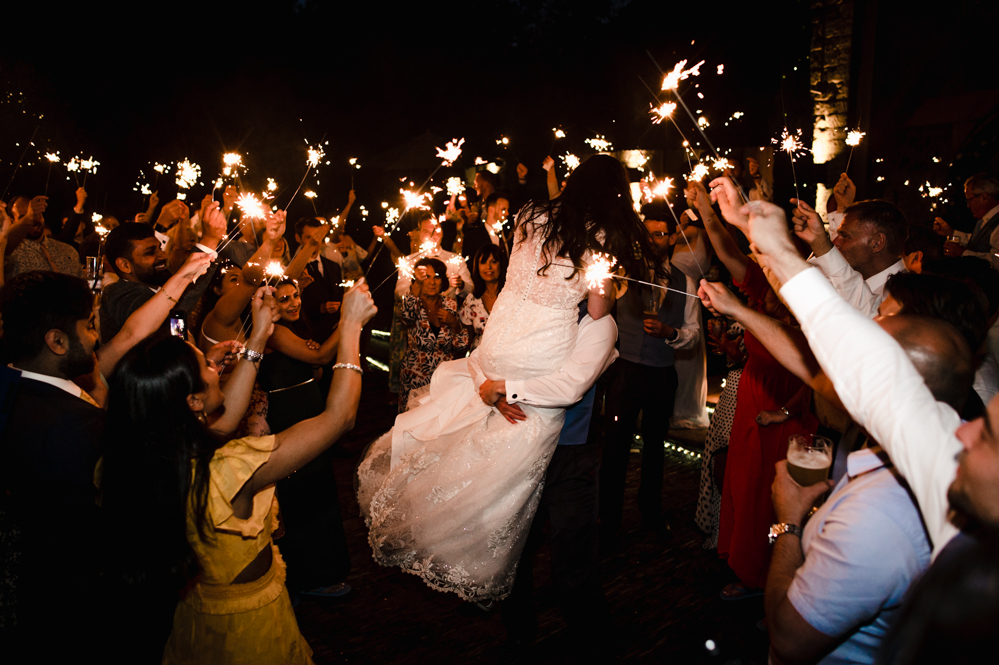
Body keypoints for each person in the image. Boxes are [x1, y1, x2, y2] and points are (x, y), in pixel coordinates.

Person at [357, 154, 661, 602]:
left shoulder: (532, 217)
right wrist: (605, 283)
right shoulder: (599, 250)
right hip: (537, 380)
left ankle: (497, 569)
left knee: (499, 489)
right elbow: (596, 316)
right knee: (522, 508)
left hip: (503, 352)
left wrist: (496, 382)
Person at [99, 281, 375, 664]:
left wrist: (258, 336)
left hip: (196, 617)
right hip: (248, 632)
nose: (216, 369)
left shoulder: (132, 456)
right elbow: (339, 418)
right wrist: (350, 326)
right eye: (206, 366)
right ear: (193, 401)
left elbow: (225, 421)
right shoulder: (228, 469)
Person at [600, 201, 700, 538]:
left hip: (662, 374)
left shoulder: (685, 281)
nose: (652, 240)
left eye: (659, 234)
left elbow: (693, 332)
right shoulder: (623, 272)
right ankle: (608, 519)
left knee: (656, 447)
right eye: (648, 233)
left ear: (672, 238)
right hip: (625, 371)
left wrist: (671, 333)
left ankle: (651, 511)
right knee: (615, 447)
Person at [257, 277, 353, 599]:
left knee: (318, 490)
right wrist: (349, 320)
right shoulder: (274, 332)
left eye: (296, 295)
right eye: (284, 299)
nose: (294, 302)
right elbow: (322, 357)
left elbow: (315, 369)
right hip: (289, 416)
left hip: (308, 410)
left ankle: (321, 571)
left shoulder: (296, 328)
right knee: (301, 495)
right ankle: (307, 578)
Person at [792, 197, 907, 318]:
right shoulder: (849, 279)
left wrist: (820, 242)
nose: (835, 242)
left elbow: (867, 316)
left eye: (845, 236)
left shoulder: (905, 295)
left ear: (876, 243)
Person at [398, 257, 469, 411]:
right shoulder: (413, 302)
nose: (432, 282)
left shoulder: (450, 304)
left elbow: (461, 346)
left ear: (442, 281)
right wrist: (416, 287)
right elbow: (407, 317)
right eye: (426, 277)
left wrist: (454, 323)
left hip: (444, 378)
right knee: (414, 419)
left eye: (436, 277)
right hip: (416, 376)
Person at [3, 195, 83, 280]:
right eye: (24, 217)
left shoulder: (69, 251)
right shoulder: (8, 253)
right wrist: (28, 218)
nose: (33, 219)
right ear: (11, 221)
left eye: (37, 214)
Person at [941, 173, 999, 265]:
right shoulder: (985, 220)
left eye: (969, 200)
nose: (968, 206)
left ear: (984, 197)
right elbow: (979, 242)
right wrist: (951, 233)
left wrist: (963, 253)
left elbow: (996, 261)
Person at [458, 244, 507, 351]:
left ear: (501, 265)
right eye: (483, 262)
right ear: (477, 267)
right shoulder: (471, 300)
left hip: (508, 354)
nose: (488, 267)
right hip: (478, 356)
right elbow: (466, 339)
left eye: (494, 262)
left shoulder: (511, 295)